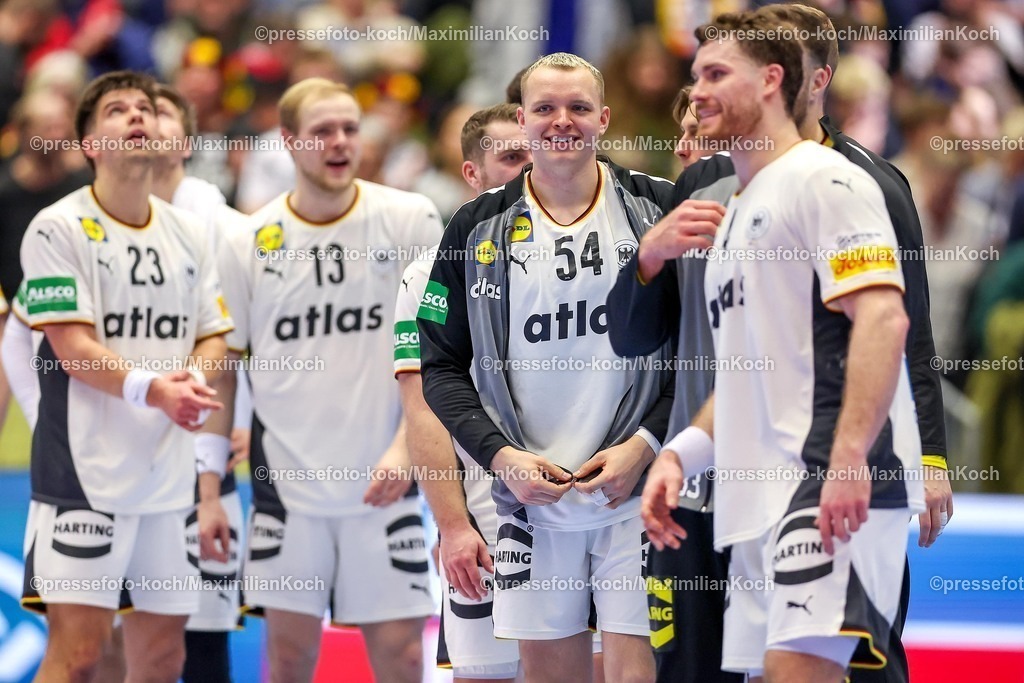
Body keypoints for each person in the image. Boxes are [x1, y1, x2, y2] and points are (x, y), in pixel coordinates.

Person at [616, 5, 953, 682]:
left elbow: (885, 321)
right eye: (694, 74)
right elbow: (744, 372)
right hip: (754, 497)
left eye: (715, 73)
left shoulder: (829, 180)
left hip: (826, 478)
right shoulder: (735, 207)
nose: (697, 92)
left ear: (772, 80)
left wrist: (850, 456)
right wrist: (678, 455)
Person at [418, 52, 676, 683]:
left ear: (605, 119)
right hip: (529, 502)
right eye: (545, 109)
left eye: (579, 108)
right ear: (524, 120)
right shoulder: (475, 226)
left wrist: (645, 444)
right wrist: (502, 459)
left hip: (634, 496)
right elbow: (439, 368)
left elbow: (704, 354)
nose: (563, 121)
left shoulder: (657, 208)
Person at [215, 77, 443, 683]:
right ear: (288, 142)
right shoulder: (245, 241)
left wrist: (408, 449)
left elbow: (440, 350)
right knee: (289, 658)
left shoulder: (408, 218)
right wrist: (212, 477)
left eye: (350, 128)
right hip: (286, 491)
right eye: (322, 131)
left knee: (402, 656)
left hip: (387, 482)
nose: (340, 142)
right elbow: (223, 364)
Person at [18, 70, 233, 683]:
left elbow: (214, 333)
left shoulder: (189, 232)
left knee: (163, 659)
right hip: (85, 477)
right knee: (80, 656)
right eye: (117, 110)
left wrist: (192, 379)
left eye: (144, 107)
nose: (137, 116)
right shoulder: (56, 228)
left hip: (168, 477)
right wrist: (155, 390)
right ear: (89, 144)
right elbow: (71, 346)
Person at [395, 102, 531, 683]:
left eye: (537, 151)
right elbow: (423, 409)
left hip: (588, 512)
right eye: (512, 156)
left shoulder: (595, 255)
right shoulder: (431, 271)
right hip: (486, 518)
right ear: (471, 174)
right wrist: (451, 526)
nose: (531, 166)